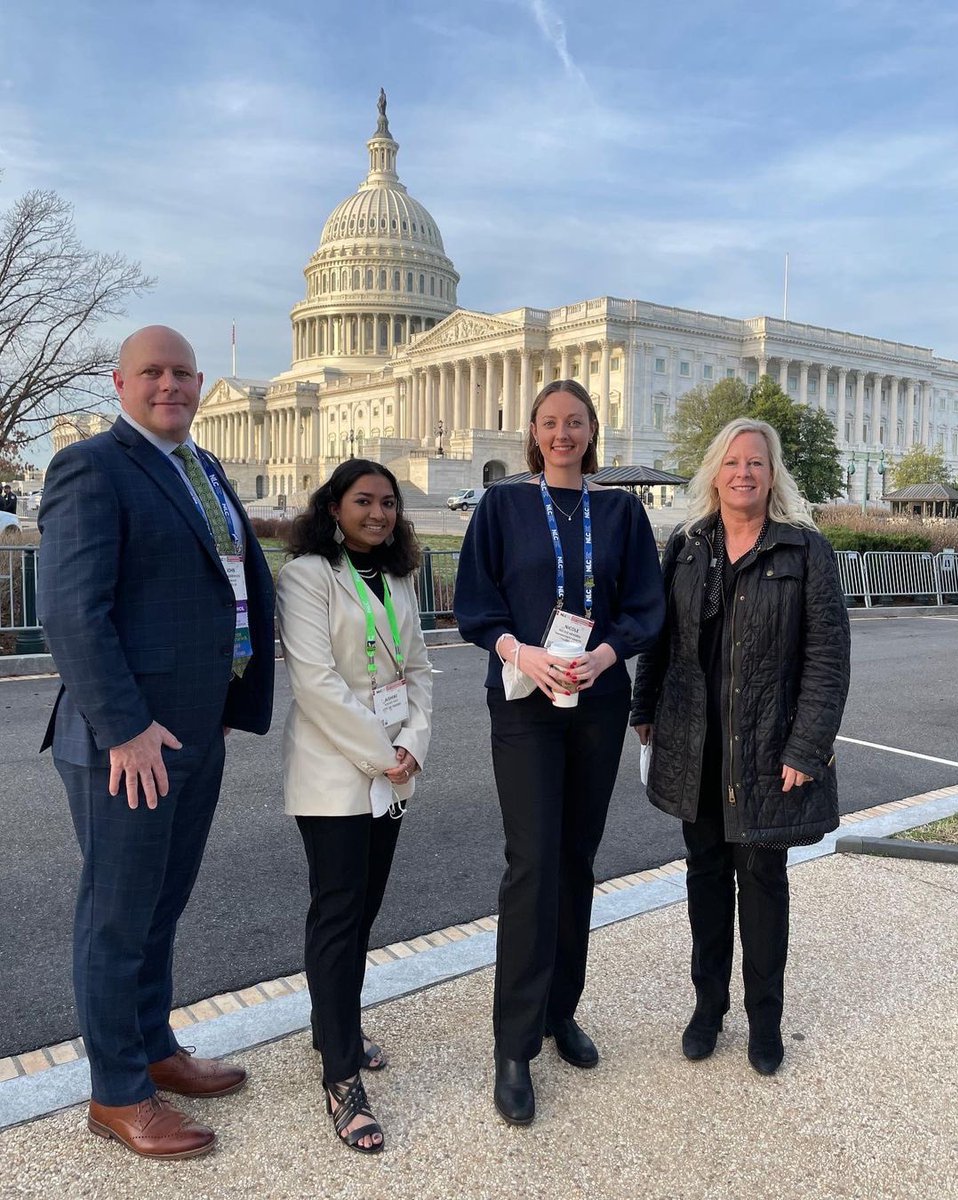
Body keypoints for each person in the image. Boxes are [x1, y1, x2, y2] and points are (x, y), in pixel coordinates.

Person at [38, 325, 275, 1159]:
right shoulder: (92, 467)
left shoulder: (202, 467)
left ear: (201, 385)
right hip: (128, 741)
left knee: (161, 908)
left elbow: (222, 578)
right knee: (116, 916)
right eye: (153, 372)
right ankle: (117, 1094)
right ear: (120, 383)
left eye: (181, 373)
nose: (168, 385)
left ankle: (154, 1049)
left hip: (194, 728)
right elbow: (72, 612)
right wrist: (126, 729)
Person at [454, 379, 664, 1125]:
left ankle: (559, 1010)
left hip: (596, 698)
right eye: (550, 422)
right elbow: (476, 604)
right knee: (533, 859)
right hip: (524, 698)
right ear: (534, 433)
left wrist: (606, 657)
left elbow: (645, 606)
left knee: (577, 857)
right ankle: (514, 1043)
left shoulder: (619, 510)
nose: (562, 433)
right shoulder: (506, 504)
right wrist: (522, 652)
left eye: (575, 422)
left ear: (592, 430)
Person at [630, 418, 850, 1076]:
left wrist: (805, 748)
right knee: (703, 879)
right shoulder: (688, 545)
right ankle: (708, 1007)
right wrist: (645, 708)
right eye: (733, 462)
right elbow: (662, 640)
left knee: (760, 880)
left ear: (773, 475)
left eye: (757, 462)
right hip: (696, 747)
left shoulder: (804, 550)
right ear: (715, 473)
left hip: (766, 749)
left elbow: (828, 660)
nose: (744, 473)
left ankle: (765, 1018)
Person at [276, 459, 432, 1154]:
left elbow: (419, 670)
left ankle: (330, 1024)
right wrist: (381, 752)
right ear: (333, 507)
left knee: (363, 908)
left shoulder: (398, 575)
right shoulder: (308, 577)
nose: (378, 513)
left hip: (392, 766)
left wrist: (414, 745)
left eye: (389, 503)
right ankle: (340, 1076)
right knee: (338, 913)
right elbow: (316, 683)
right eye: (363, 501)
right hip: (337, 770)